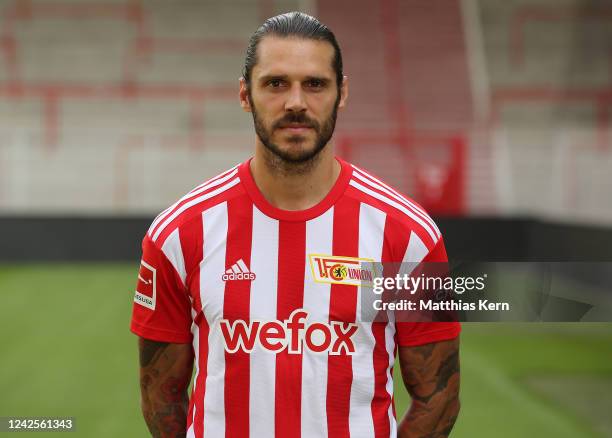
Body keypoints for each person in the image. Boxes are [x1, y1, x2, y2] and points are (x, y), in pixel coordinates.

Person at [130, 11, 460, 438]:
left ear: (342, 93)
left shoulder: (410, 237)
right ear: (245, 94)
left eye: (315, 84)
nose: (296, 102)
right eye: (276, 83)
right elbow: (160, 396)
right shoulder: (179, 233)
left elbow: (440, 398)